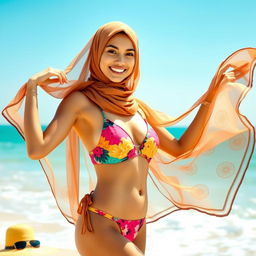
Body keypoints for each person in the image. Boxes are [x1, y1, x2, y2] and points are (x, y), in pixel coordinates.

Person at [2, 21, 256, 256]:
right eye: (111, 51)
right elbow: (37, 149)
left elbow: (181, 148)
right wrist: (32, 88)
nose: (120, 60)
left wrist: (211, 95)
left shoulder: (136, 107)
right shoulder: (81, 103)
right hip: (102, 222)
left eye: (129, 53)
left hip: (139, 225)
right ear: (96, 54)